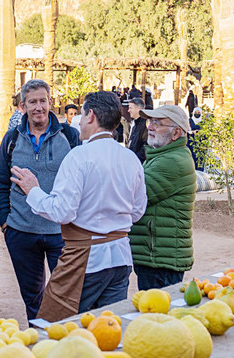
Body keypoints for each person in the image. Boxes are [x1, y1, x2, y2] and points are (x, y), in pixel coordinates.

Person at [10, 91, 146, 321]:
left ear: (91, 116)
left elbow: (63, 211)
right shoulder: (130, 158)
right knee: (108, 327)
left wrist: (32, 190)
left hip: (86, 259)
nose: (79, 122)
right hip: (121, 257)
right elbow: (137, 211)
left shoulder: (79, 157)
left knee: (66, 326)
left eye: (82, 115)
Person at [0, 79, 80, 321]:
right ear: (23, 106)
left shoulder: (70, 137)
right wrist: (6, 225)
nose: (39, 107)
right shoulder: (11, 140)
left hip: (60, 233)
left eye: (43, 101)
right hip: (21, 233)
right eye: (33, 102)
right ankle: (38, 348)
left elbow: (82, 183)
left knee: (67, 296)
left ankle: (65, 347)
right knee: (32, 299)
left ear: (51, 103)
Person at [129, 105, 197, 290]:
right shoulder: (163, 156)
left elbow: (133, 198)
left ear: (175, 133)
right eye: (150, 122)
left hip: (159, 259)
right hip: (157, 255)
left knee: (157, 315)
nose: (149, 127)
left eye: (158, 123)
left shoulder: (171, 161)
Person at [127, 97, 148, 163]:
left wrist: (135, 160)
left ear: (139, 109)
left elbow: (146, 146)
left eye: (131, 108)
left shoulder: (146, 125)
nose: (128, 110)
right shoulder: (135, 124)